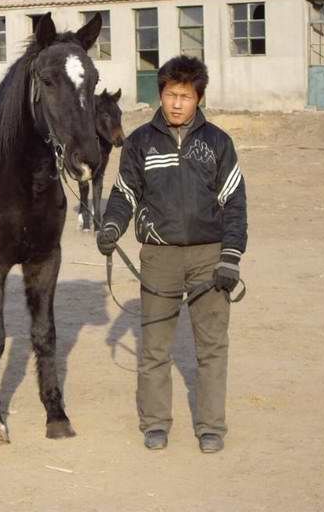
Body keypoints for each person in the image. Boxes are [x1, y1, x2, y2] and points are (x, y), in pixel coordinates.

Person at [96, 55, 247, 454]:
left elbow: (234, 204)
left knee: (212, 347)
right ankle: (156, 423)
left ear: (199, 98)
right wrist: (112, 226)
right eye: (170, 95)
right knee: (155, 346)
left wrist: (230, 256)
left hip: (209, 258)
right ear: (159, 95)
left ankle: (211, 426)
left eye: (185, 96)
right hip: (158, 258)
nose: (177, 103)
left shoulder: (218, 143)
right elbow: (124, 194)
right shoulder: (140, 143)